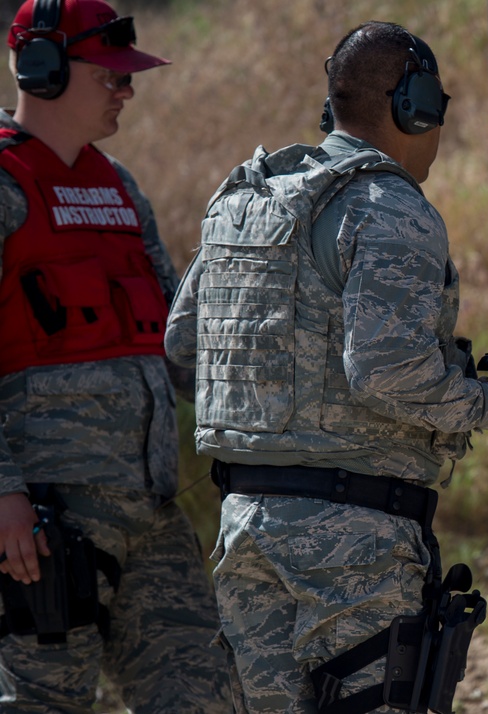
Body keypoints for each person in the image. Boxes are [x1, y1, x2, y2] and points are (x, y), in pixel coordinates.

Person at [164, 20, 488, 714]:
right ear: (412, 105)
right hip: (355, 546)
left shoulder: (245, 201)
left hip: (246, 528)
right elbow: (386, 371)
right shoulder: (393, 209)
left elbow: (185, 356)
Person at [0, 1, 232, 711]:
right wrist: (2, 492)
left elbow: (178, 347)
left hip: (152, 511)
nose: (128, 90)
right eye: (113, 76)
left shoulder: (121, 188)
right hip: (42, 526)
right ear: (44, 71)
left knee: (206, 696)